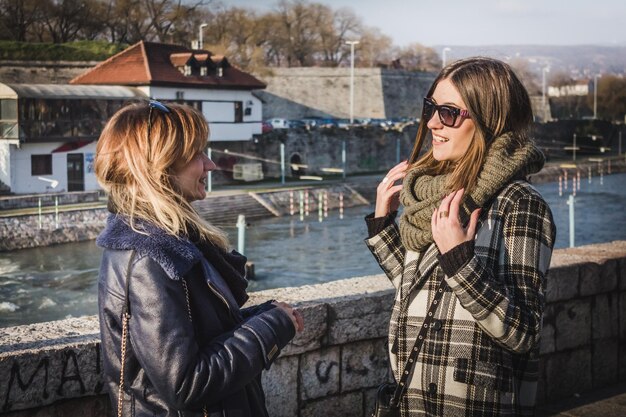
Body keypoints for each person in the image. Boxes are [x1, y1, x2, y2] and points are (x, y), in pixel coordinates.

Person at [365, 57, 556, 416]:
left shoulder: (519, 205)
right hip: (411, 403)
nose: (433, 122)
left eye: (450, 113)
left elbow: (523, 332)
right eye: (431, 108)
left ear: (488, 120)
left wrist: (461, 261)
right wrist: (382, 223)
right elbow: (418, 288)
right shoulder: (435, 194)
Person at [95, 101, 304, 417]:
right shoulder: (149, 259)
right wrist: (272, 328)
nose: (210, 165)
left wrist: (267, 315)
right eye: (196, 155)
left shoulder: (171, 244)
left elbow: (204, 336)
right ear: (160, 168)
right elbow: (186, 384)